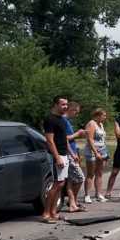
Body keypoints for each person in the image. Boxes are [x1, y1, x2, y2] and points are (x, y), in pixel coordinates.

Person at [41, 96, 70, 224]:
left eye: (66, 104)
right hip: (56, 155)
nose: (65, 107)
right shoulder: (50, 120)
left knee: (61, 183)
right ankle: (46, 213)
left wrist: (71, 154)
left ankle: (53, 212)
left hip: (64, 154)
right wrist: (57, 157)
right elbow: (50, 140)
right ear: (56, 105)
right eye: (63, 104)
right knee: (56, 184)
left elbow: (64, 138)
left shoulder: (62, 119)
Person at [82, 108, 110, 203]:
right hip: (92, 151)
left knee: (99, 173)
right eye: (104, 115)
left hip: (102, 150)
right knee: (90, 174)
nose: (105, 117)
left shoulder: (101, 124)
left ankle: (99, 194)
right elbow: (90, 139)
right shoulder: (91, 124)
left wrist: (105, 153)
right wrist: (96, 152)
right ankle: (87, 195)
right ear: (98, 115)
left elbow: (102, 139)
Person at [63, 101, 87, 212]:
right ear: (71, 110)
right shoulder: (63, 121)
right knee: (80, 177)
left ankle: (73, 203)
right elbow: (64, 139)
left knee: (70, 180)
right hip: (68, 154)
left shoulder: (67, 121)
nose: (76, 115)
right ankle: (73, 201)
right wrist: (78, 134)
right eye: (76, 112)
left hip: (72, 152)